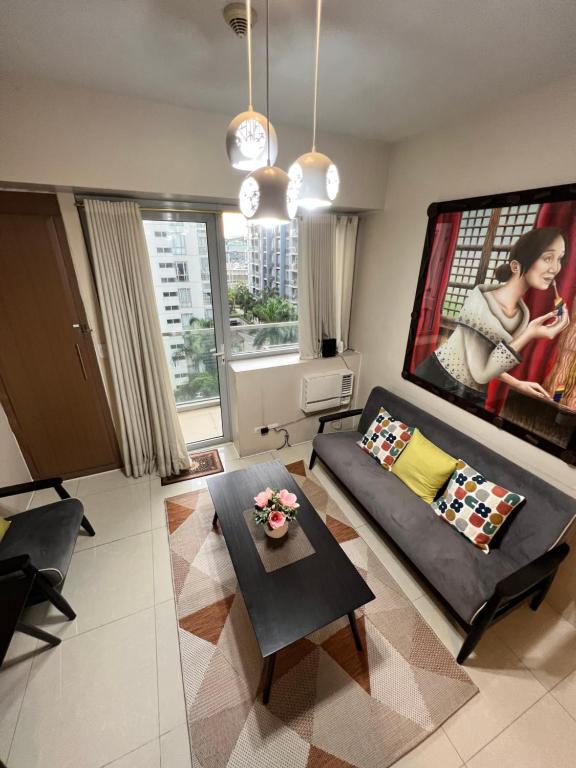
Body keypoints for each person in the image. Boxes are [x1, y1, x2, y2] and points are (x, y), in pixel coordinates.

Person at [415, 227, 570, 407]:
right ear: (515, 266)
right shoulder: (480, 305)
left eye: (559, 259)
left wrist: (518, 384)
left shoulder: (521, 314)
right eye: (547, 258)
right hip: (438, 378)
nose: (555, 268)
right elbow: (481, 373)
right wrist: (529, 334)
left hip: (472, 394)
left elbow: (488, 360)